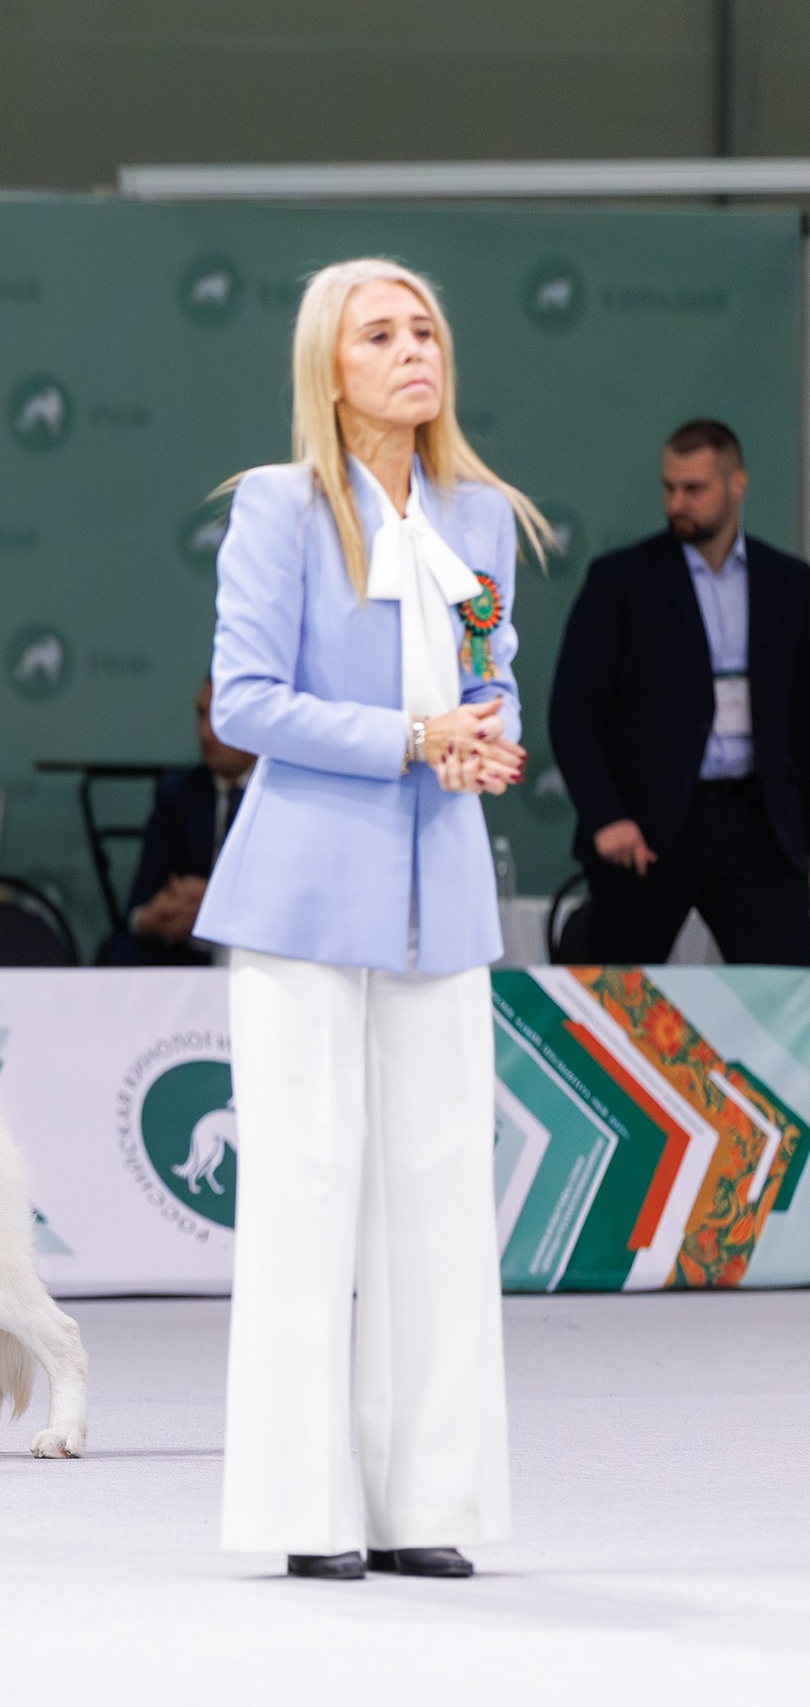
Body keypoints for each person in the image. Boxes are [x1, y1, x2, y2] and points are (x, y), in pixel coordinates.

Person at [195, 258, 545, 1582]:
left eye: (427, 330)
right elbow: (244, 702)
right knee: (303, 1191)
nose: (415, 351)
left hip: (442, 898)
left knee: (443, 1196)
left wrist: (483, 744)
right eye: (382, 333)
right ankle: (306, 1507)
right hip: (301, 891)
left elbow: (495, 672)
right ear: (327, 364)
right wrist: (410, 737)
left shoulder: (482, 517)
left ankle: (422, 1501)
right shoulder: (279, 510)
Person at [549, 419, 810, 964]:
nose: (678, 503)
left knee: (788, 987)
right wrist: (606, 816)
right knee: (612, 994)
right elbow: (574, 712)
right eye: (669, 488)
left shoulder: (788, 584)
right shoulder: (621, 581)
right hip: (647, 829)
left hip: (758, 823)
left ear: (736, 484)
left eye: (695, 489)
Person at [99, 678, 259, 967]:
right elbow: (140, 905)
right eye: (201, 715)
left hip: (257, 947)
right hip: (185, 950)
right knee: (119, 951)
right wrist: (154, 917)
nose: (205, 734)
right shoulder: (179, 793)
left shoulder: (284, 797)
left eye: (218, 717)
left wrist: (215, 901)